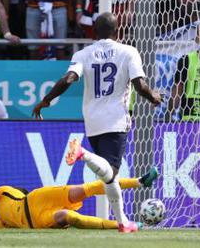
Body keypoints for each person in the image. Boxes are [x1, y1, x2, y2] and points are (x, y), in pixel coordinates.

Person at [32, 12, 163, 233]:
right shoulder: (128, 52)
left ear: (94, 30)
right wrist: (154, 98)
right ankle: (82, 153)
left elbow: (69, 79)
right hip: (115, 119)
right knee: (110, 172)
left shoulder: (84, 54)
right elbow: (140, 85)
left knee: (109, 177)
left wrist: (46, 100)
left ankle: (123, 223)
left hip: (92, 121)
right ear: (117, 29)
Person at [0, 168, 159, 229]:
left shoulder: (5, 193)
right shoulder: (6, 201)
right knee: (78, 202)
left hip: (35, 209)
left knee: (76, 204)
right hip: (37, 209)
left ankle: (138, 184)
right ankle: (124, 220)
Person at [167, 24, 200, 121]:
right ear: (196, 39)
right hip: (190, 122)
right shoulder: (186, 60)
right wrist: (168, 117)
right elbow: (177, 92)